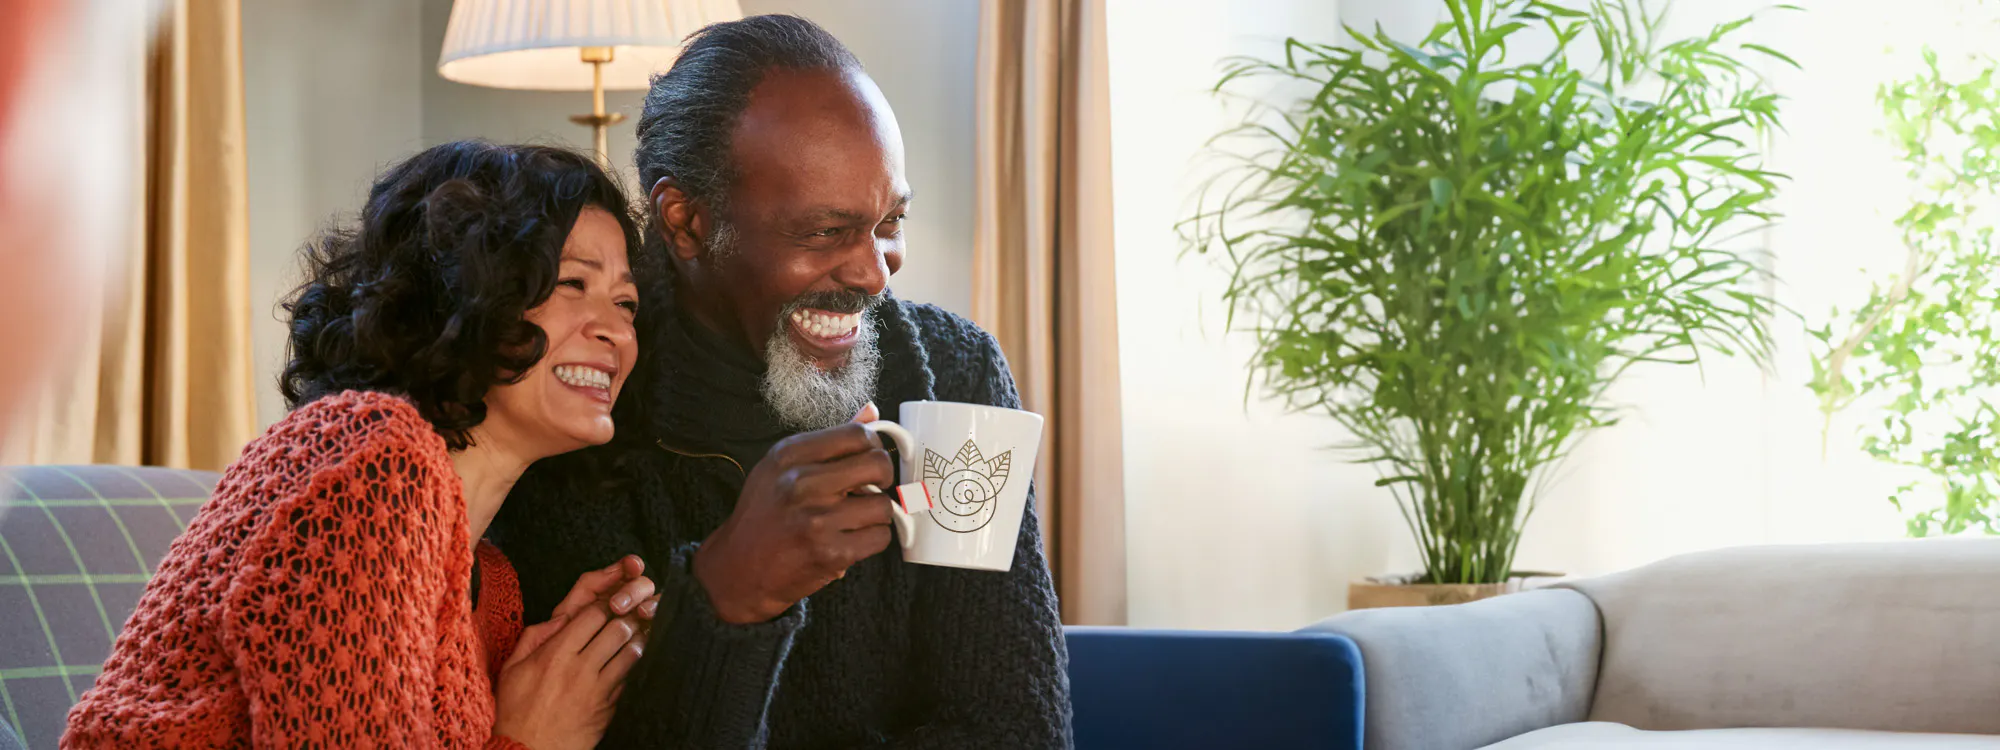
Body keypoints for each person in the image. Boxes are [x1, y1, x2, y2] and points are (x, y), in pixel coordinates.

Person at [493, 14, 1072, 749]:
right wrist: (727, 595)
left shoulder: (953, 378)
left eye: (889, 221)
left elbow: (1016, 728)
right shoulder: (583, 409)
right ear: (687, 222)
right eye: (825, 232)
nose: (873, 273)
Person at [64, 141, 664, 749]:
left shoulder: (489, 585)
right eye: (571, 283)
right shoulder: (370, 461)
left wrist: (557, 679)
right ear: (462, 289)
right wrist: (531, 740)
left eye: (625, 303)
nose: (615, 329)